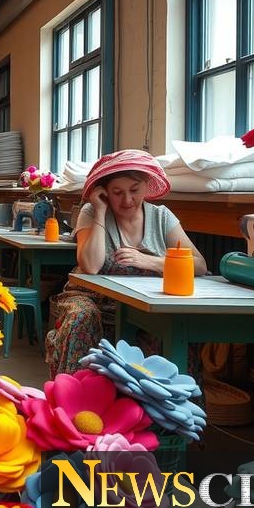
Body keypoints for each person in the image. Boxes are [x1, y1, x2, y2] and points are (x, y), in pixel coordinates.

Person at [45, 149, 207, 376]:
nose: (127, 200)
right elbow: (90, 266)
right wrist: (100, 212)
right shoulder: (91, 212)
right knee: (81, 317)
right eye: (117, 192)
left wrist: (149, 261)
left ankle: (162, 399)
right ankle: (75, 392)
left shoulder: (162, 217)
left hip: (145, 303)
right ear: (104, 192)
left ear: (146, 186)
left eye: (134, 190)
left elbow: (199, 265)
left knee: (173, 329)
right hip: (92, 298)